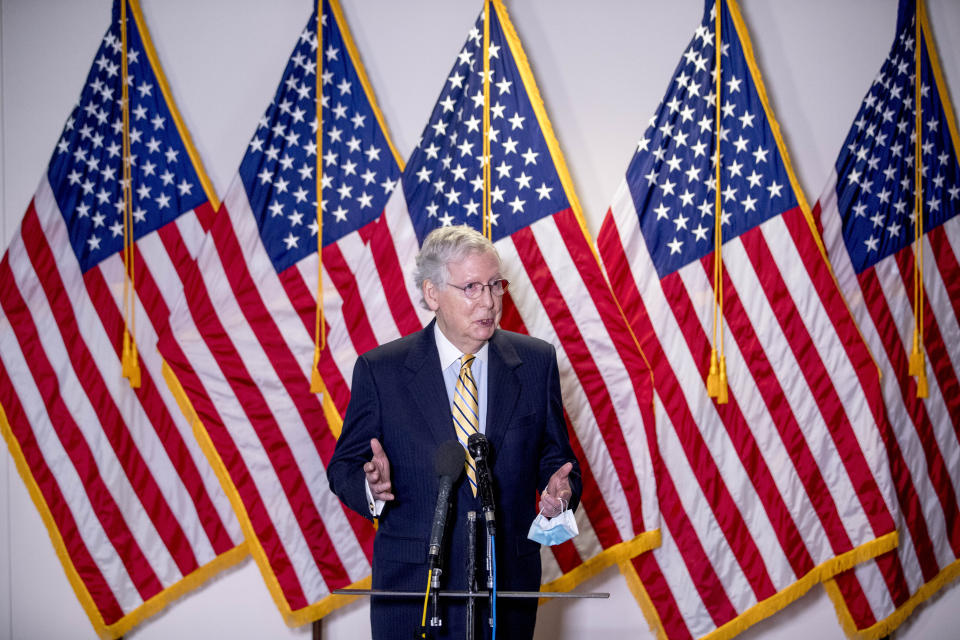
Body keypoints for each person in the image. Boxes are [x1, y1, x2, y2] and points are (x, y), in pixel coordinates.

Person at [327, 224, 581, 639]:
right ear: (432, 294)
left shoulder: (536, 363)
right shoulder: (381, 371)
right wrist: (371, 485)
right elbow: (343, 468)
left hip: (506, 589)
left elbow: (557, 462)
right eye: (471, 288)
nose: (489, 301)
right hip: (414, 592)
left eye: (495, 285)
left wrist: (561, 495)